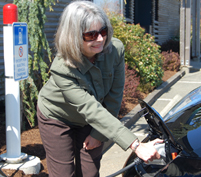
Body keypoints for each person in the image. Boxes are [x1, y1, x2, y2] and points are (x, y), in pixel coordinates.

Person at [37, 1, 163, 177]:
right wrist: (136, 145)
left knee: (90, 172)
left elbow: (113, 97)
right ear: (73, 36)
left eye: (103, 31)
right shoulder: (62, 68)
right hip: (58, 117)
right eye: (91, 35)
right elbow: (90, 108)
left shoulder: (115, 50)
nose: (100, 39)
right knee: (63, 173)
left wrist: (98, 133)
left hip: (92, 119)